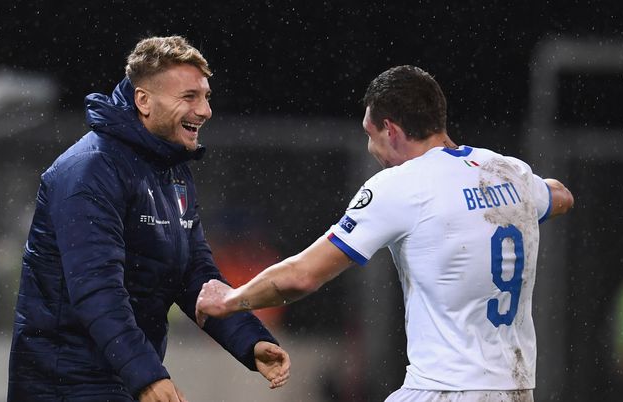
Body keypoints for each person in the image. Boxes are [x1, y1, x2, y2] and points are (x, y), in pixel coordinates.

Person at [195, 65, 574, 402]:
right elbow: (560, 195)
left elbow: (302, 275)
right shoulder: (509, 172)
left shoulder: (401, 185)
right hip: (516, 387)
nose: (369, 146)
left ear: (391, 129)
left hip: (445, 388)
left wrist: (231, 300)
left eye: (370, 133)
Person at [7, 36, 290, 402]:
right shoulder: (89, 170)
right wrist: (146, 375)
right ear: (143, 100)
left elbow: (194, 275)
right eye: (189, 97)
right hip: (64, 382)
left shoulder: (170, 169)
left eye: (206, 96)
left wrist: (249, 339)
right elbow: (97, 291)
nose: (204, 110)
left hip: (120, 374)